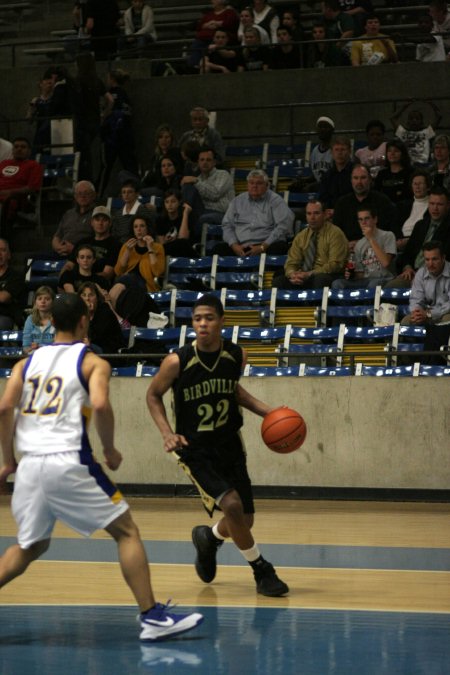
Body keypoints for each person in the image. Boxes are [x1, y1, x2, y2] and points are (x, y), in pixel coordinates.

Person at [0, 293, 203, 641]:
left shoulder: (25, 363)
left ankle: (152, 615)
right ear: (83, 321)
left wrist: (7, 461)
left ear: (51, 322)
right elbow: (100, 403)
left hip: (30, 466)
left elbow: (5, 409)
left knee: (30, 547)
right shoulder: (92, 362)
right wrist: (109, 449)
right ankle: (152, 617)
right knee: (126, 531)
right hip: (68, 460)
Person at [146, 293, 289, 598]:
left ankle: (208, 538)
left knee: (244, 519)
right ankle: (261, 570)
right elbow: (153, 395)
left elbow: (233, 391)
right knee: (233, 506)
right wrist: (166, 433)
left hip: (229, 444)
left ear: (222, 321)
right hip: (194, 448)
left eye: (209, 318)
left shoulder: (237, 355)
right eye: (197, 318)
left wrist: (271, 412)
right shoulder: (177, 361)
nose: (202, 324)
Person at [216, 169, 294, 256]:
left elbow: (284, 226)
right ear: (247, 185)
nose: (254, 186)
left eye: (259, 183)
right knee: (218, 249)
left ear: (267, 185)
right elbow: (227, 225)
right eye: (251, 183)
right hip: (241, 246)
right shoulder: (237, 201)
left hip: (266, 245)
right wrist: (234, 245)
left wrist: (262, 247)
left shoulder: (276, 201)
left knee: (279, 248)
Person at [273, 200, 348, 289]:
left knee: (320, 279)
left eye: (316, 213)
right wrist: (293, 274)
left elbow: (335, 265)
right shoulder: (301, 236)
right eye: (309, 214)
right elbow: (291, 262)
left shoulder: (335, 233)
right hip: (304, 275)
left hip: (327, 275)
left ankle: (316, 303)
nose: (312, 217)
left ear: (324, 215)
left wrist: (310, 274)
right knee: (279, 281)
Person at [385, 186, 450, 288]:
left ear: (448, 206)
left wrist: (423, 274)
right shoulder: (420, 225)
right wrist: (407, 267)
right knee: (390, 288)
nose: (435, 208)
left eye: (439, 204)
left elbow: (446, 259)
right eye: (432, 204)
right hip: (412, 273)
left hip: (437, 276)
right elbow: (407, 254)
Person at [332, 164, 399, 248]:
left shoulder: (383, 201)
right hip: (349, 250)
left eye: (363, 178)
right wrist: (346, 245)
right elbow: (335, 234)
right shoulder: (342, 203)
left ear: (370, 180)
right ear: (351, 180)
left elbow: (392, 233)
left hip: (376, 249)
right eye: (355, 178)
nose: (359, 182)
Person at [331, 206, 396, 288]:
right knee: (337, 283)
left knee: (373, 284)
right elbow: (361, 274)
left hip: (384, 278)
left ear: (375, 219)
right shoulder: (359, 244)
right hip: (365, 281)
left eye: (367, 218)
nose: (363, 222)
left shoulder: (388, 236)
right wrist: (351, 275)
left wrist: (371, 239)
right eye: (360, 219)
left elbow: (386, 262)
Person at [98, 69, 139, 197]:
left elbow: (108, 111)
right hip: (126, 135)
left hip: (112, 136)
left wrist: (103, 119)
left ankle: (97, 194)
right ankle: (138, 192)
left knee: (105, 167)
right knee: (130, 167)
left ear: (111, 79)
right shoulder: (126, 95)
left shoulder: (110, 95)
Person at [181, 147, 235, 239]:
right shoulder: (198, 178)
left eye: (208, 160)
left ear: (214, 162)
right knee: (188, 187)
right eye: (202, 160)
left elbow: (215, 194)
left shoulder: (223, 174)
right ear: (198, 162)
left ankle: (188, 240)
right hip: (203, 212)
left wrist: (195, 181)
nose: (204, 162)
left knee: (202, 218)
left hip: (223, 214)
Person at [62, 206, 121, 283]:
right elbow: (69, 265)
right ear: (92, 222)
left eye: (104, 220)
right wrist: (63, 277)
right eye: (97, 220)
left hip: (98, 285)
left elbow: (107, 274)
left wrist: (84, 280)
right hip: (76, 282)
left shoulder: (116, 245)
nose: (100, 223)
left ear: (110, 223)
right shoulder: (82, 242)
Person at [0, 137, 44, 241]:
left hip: (16, 199)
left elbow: (32, 188)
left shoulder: (33, 166)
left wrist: (10, 192)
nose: (19, 149)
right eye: (16, 147)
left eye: (23, 147)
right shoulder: (3, 164)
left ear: (29, 151)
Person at [112, 214, 165, 295]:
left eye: (142, 226)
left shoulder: (157, 247)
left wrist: (150, 248)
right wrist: (127, 251)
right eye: (135, 227)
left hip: (145, 286)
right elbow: (118, 271)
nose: (139, 229)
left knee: (126, 281)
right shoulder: (127, 246)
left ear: (147, 228)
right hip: (126, 283)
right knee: (123, 283)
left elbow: (158, 272)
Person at [401, 240, 450, 325]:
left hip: (444, 313)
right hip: (425, 313)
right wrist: (417, 313)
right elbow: (416, 299)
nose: (430, 264)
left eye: (434, 259)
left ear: (443, 258)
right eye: (427, 259)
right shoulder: (421, 273)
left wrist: (430, 314)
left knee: (447, 321)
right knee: (406, 322)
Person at [187, 0, 239, 69]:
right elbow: (199, 26)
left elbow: (229, 22)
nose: (212, 1)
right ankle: (194, 67)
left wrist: (216, 23)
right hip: (201, 39)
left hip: (216, 38)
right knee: (197, 45)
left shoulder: (229, 12)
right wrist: (207, 25)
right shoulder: (209, 14)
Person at [52, 181, 98, 257]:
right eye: (79, 193)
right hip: (61, 252)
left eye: (86, 193)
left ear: (94, 195)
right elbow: (57, 236)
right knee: (30, 260)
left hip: (82, 256)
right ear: (75, 196)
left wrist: (75, 249)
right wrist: (59, 247)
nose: (82, 196)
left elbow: (99, 241)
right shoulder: (69, 214)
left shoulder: (98, 215)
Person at [78, 281, 125, 353]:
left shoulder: (104, 311)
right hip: (91, 348)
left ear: (97, 298)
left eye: (91, 295)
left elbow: (94, 337)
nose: (87, 298)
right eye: (84, 295)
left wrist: (87, 313)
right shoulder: (78, 313)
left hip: (108, 351)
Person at [391, 100, 441, 166]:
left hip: (423, 165)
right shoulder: (403, 133)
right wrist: (404, 107)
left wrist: (432, 104)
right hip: (407, 165)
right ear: (408, 121)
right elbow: (392, 118)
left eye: (417, 119)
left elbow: (439, 116)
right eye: (411, 119)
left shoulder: (426, 133)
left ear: (421, 122)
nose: (414, 121)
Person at [396, 169, 431, 252]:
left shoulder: (433, 205)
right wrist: (399, 240)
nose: (417, 187)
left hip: (420, 242)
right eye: (415, 184)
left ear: (428, 186)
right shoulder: (403, 205)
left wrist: (410, 240)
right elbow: (395, 225)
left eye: (420, 184)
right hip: (401, 241)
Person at [155, 190, 197, 257]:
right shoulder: (160, 220)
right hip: (169, 251)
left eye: (173, 201)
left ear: (179, 202)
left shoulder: (187, 217)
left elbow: (183, 238)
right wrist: (166, 240)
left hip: (185, 250)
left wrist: (185, 213)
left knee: (182, 243)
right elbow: (161, 245)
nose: (169, 205)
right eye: (167, 202)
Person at [318, 136, 354, 210]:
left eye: (343, 149)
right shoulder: (327, 176)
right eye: (336, 150)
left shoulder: (356, 172)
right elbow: (323, 200)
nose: (339, 153)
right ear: (331, 152)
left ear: (350, 151)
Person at [374, 138, 413, 204]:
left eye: (396, 151)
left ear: (402, 154)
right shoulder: (382, 174)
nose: (392, 153)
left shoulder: (410, 173)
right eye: (389, 151)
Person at [22, 286, 55, 355]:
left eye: (47, 299)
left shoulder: (58, 319)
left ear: (53, 302)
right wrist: (31, 349)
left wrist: (41, 347)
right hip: (34, 356)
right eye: (39, 299)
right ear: (35, 302)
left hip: (52, 355)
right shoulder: (30, 319)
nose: (43, 301)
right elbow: (26, 346)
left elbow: (59, 344)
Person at [0, 239, 25, 330]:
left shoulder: (16, 276)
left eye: (3, 250)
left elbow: (3, 298)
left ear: (9, 255)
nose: (0, 254)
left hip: (6, 316)